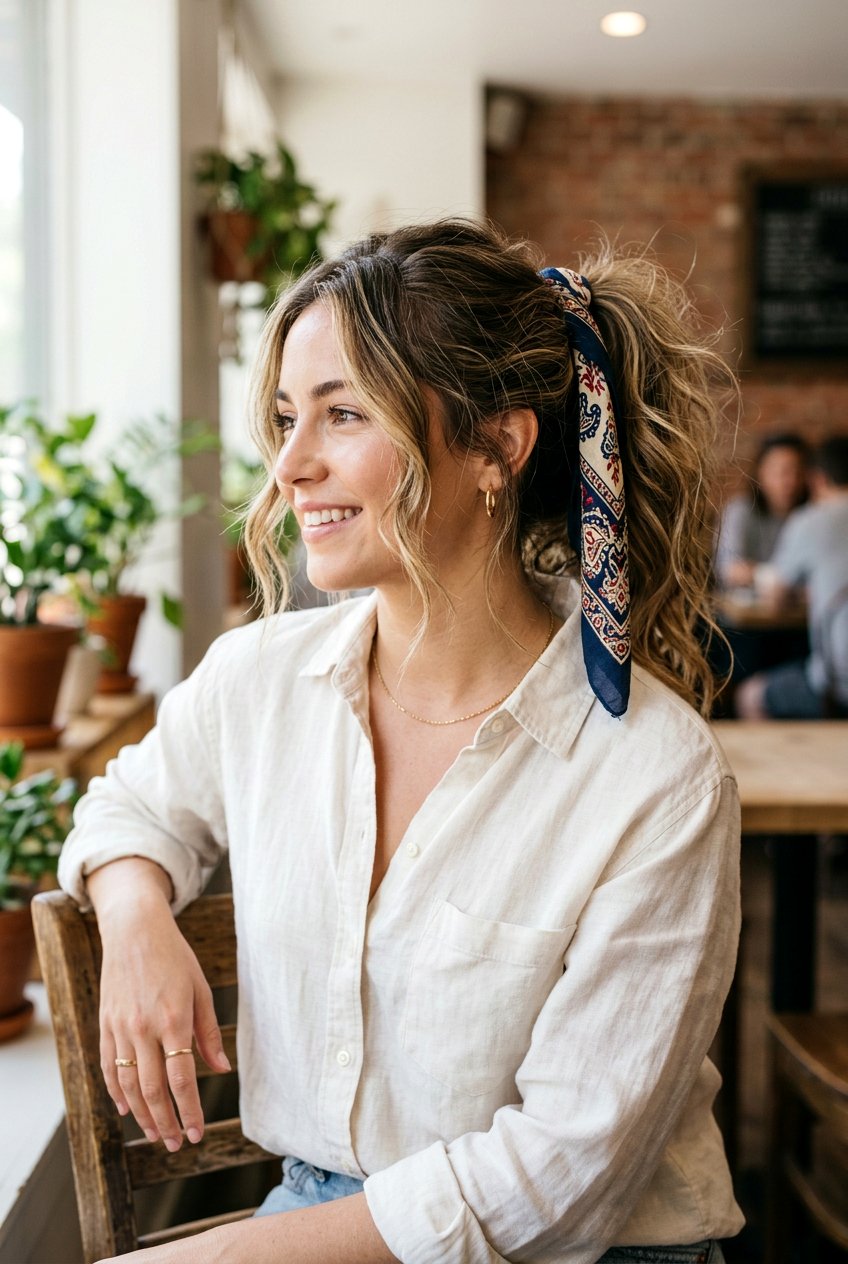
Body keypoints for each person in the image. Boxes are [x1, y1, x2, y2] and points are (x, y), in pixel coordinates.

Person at [59, 219, 743, 1264]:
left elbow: (558, 1172)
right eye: (288, 416)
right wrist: (135, 909)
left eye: (342, 413)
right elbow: (126, 807)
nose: (290, 464)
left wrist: (204, 1256)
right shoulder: (259, 680)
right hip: (316, 1216)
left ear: (494, 447)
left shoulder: (653, 773)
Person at [735, 435, 848, 720]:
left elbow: (774, 592)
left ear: (817, 479)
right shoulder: (741, 511)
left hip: (837, 683)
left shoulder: (811, 520)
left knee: (749, 695)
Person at [714, 432, 808, 591]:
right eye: (782, 472)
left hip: (795, 613)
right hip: (741, 612)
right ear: (761, 473)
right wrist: (776, 577)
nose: (791, 482)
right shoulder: (741, 511)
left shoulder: (809, 516)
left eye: (798, 472)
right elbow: (730, 570)